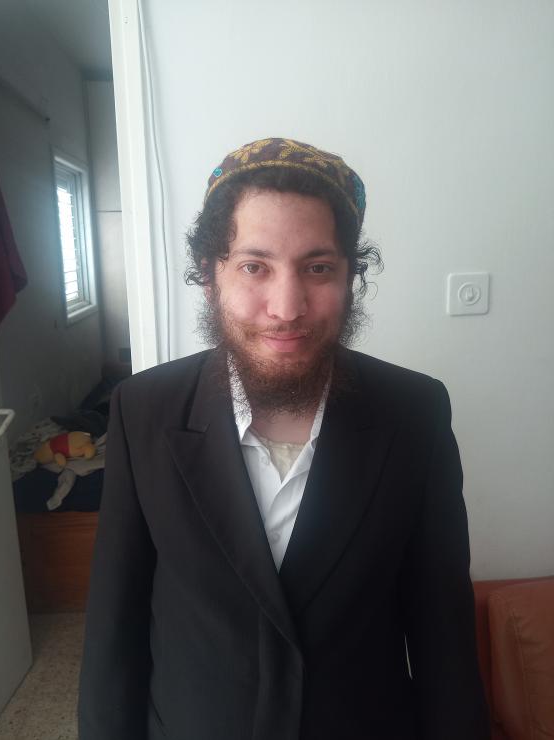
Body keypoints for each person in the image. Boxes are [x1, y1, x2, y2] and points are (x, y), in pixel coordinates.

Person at [78, 138, 490, 740]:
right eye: (255, 266)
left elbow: (442, 629)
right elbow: (115, 622)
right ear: (211, 274)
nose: (287, 306)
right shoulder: (143, 410)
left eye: (318, 267)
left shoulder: (415, 413)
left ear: (351, 276)